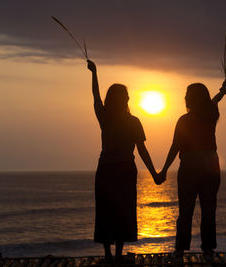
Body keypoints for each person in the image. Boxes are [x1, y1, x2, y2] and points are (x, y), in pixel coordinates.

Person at [87, 60, 160, 263]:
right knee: (122, 210)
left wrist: (94, 73)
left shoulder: (105, 117)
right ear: (123, 99)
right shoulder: (133, 121)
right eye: (127, 96)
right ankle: (117, 254)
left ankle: (109, 255)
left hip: (106, 169)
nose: (129, 98)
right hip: (125, 169)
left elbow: (95, 96)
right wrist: (155, 174)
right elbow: (143, 151)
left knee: (106, 210)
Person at [159, 79, 226, 258]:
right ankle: (208, 249)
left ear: (192, 98)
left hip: (190, 166)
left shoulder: (184, 120)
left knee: (186, 210)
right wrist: (221, 92)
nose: (184, 97)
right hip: (210, 165)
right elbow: (213, 101)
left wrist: (164, 170)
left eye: (187, 94)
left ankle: (180, 249)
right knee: (208, 208)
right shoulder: (211, 115)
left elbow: (175, 146)